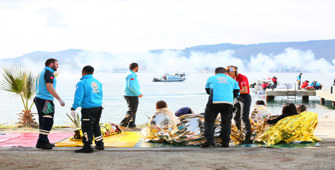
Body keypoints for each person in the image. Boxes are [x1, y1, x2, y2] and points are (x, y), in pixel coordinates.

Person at [201, 67, 240, 148]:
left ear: (215, 73)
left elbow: (207, 90)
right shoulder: (233, 80)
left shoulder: (211, 78)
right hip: (228, 102)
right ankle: (225, 142)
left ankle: (210, 140)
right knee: (226, 122)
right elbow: (237, 93)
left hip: (214, 101)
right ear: (226, 73)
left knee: (209, 121)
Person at [34, 58, 65, 149]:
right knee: (48, 121)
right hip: (46, 100)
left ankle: (43, 141)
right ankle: (42, 141)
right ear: (51, 64)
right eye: (57, 64)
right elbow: (49, 88)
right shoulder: (48, 73)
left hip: (39, 98)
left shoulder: (41, 72)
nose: (58, 66)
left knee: (43, 121)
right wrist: (59, 99)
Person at [71, 65, 103, 153]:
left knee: (86, 127)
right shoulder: (98, 82)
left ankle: (88, 146)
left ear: (82, 72)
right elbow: (100, 95)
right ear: (93, 73)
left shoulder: (81, 83)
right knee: (96, 125)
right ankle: (99, 144)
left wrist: (74, 108)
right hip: (98, 107)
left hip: (88, 108)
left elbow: (78, 97)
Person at [227, 65, 252, 144]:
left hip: (245, 97)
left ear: (234, 71)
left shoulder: (242, 77)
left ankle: (248, 137)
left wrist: (233, 92)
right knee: (235, 117)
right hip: (237, 98)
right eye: (227, 72)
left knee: (244, 117)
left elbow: (245, 90)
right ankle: (238, 135)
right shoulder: (232, 79)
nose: (228, 74)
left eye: (229, 72)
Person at [120, 62, 143, 129]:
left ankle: (131, 125)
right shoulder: (131, 75)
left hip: (131, 94)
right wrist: (139, 93)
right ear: (136, 67)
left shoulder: (131, 74)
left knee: (133, 111)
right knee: (132, 110)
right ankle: (122, 125)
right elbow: (131, 86)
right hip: (131, 95)